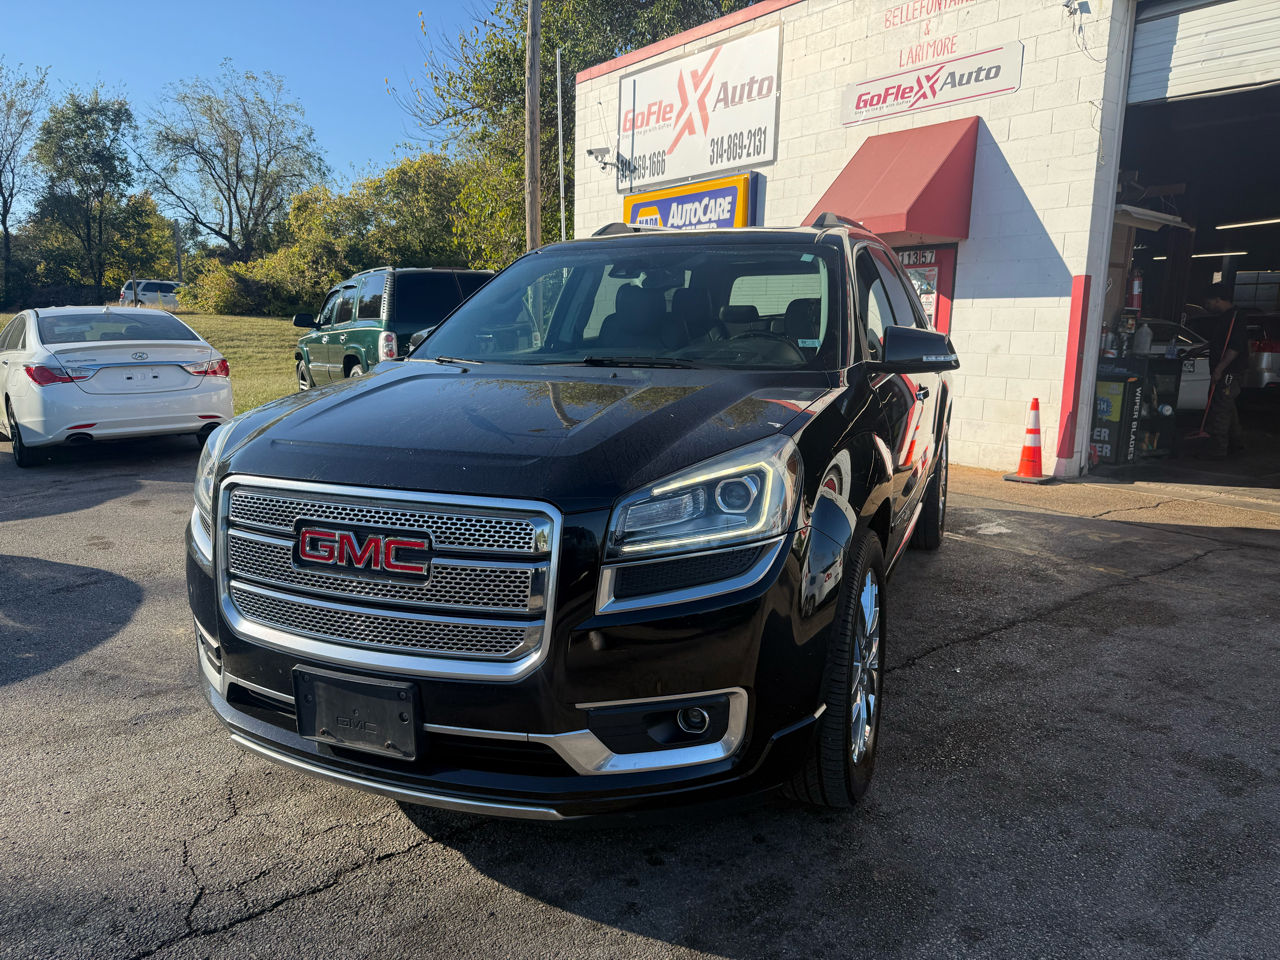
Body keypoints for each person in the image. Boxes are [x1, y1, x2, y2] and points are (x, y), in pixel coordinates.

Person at [1198, 283, 1249, 459]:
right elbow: (1220, 342)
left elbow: (1234, 347)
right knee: (1227, 406)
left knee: (1220, 408)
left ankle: (1219, 449)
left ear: (1218, 300)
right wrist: (1200, 349)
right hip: (1225, 370)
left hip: (1230, 371)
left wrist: (1220, 369)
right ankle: (1236, 443)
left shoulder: (1236, 318)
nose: (1207, 307)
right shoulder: (1225, 317)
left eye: (1209, 303)